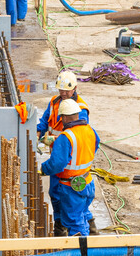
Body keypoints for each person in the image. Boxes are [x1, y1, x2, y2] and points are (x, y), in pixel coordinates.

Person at [40, 101, 98, 239]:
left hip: (71, 187)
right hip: (87, 182)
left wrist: (43, 169)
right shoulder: (90, 130)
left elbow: (57, 164)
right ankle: (91, 238)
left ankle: (79, 255)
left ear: (64, 117)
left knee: (74, 221)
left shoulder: (66, 137)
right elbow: (93, 145)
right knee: (82, 213)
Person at [36, 69, 91, 139]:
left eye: (67, 91)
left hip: (68, 147)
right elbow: (44, 122)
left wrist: (55, 139)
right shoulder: (54, 102)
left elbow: (79, 133)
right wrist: (37, 134)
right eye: (61, 90)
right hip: (55, 148)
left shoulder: (80, 108)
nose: (63, 94)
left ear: (75, 88)